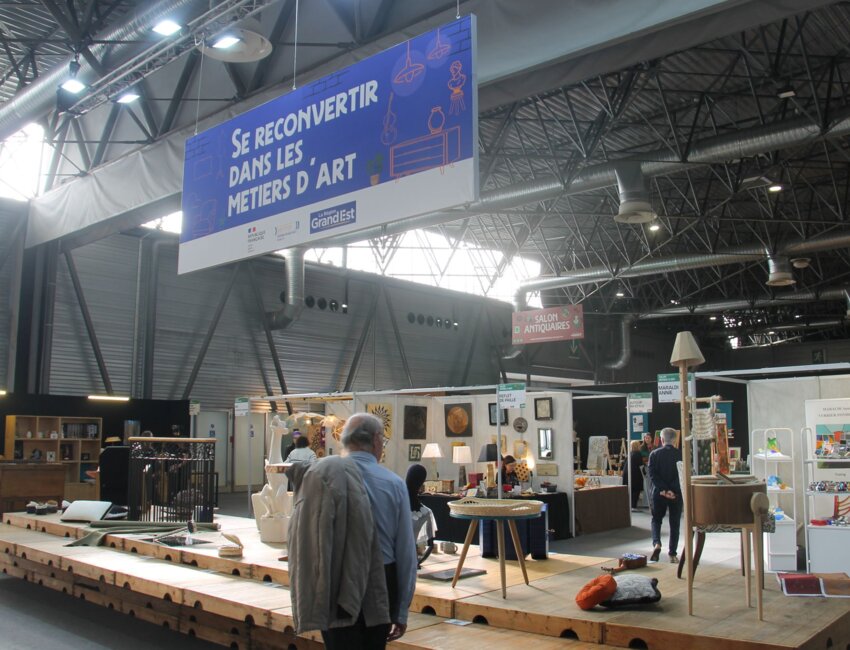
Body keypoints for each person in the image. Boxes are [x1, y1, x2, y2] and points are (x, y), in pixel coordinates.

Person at [285, 413, 416, 649]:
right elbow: (406, 552)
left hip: (332, 579)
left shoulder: (318, 475)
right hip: (380, 583)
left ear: (344, 441)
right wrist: (402, 610)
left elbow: (301, 536)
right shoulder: (393, 484)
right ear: (376, 440)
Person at [647, 427, 683, 563]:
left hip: (658, 493)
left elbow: (652, 474)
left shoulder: (654, 454)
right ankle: (672, 554)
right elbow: (681, 474)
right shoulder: (680, 454)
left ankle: (657, 543)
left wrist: (663, 489)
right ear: (674, 440)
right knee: (675, 523)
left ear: (662, 439)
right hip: (676, 494)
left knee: (656, 519)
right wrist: (672, 490)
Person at [406, 463, 435, 568]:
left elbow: (431, 545)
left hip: (403, 558)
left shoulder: (425, 513)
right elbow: (431, 545)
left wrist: (417, 562)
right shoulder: (425, 512)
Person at [627, 440, 644, 510]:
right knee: (636, 490)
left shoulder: (630, 453)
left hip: (628, 473)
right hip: (635, 474)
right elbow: (641, 465)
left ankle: (630, 505)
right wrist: (644, 473)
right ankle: (633, 506)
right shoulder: (638, 453)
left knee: (630, 490)